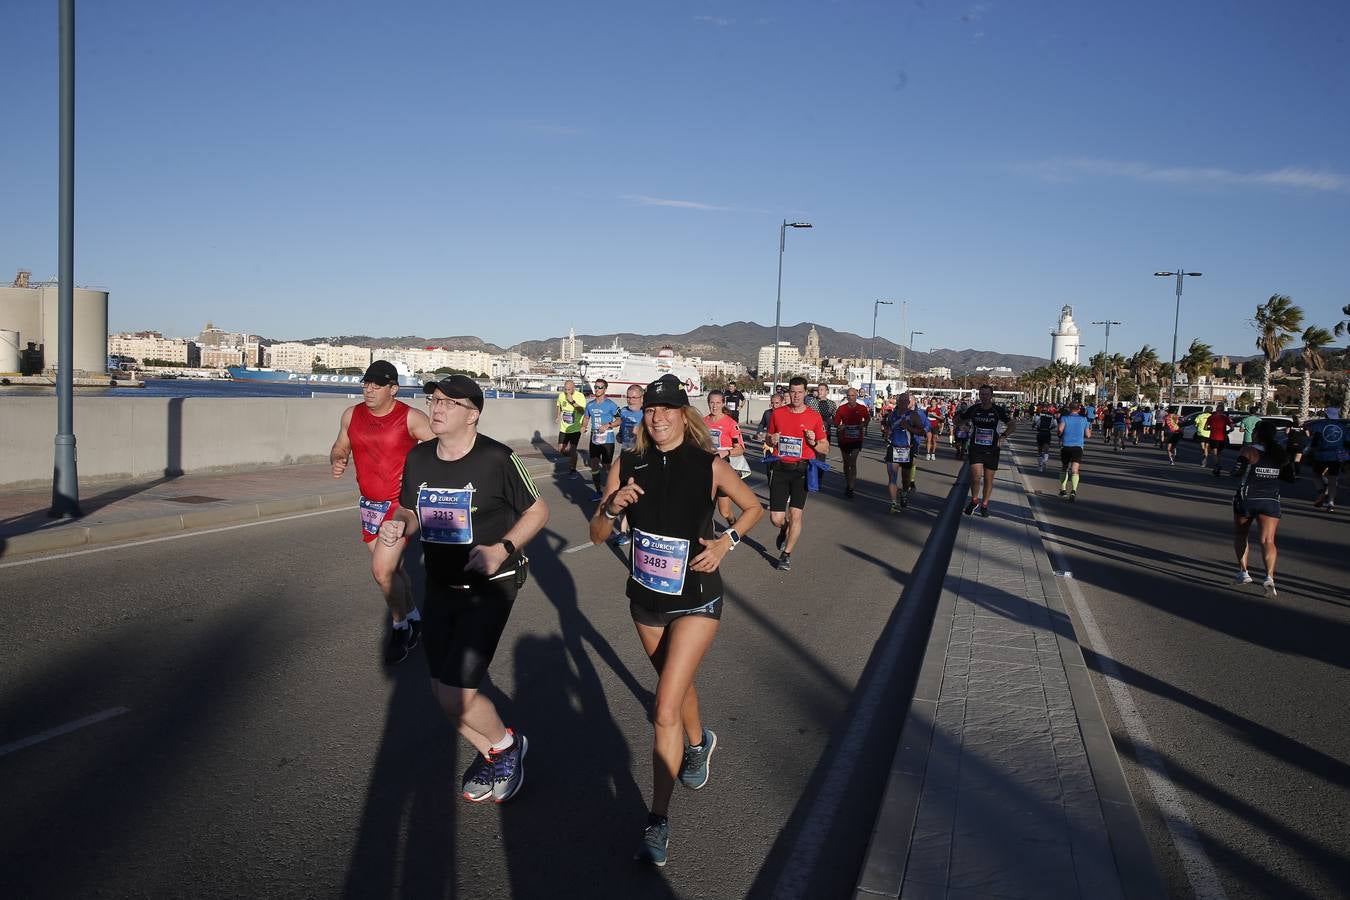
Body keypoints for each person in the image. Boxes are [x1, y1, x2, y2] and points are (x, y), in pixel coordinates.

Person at [590, 374, 763, 867]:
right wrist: (611, 505)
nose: (658, 417)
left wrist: (726, 542)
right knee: (674, 682)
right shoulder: (628, 463)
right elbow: (598, 533)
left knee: (663, 706)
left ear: (684, 416)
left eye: (667, 410)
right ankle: (698, 741)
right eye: (650, 410)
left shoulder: (709, 464)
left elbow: (751, 508)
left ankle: (657, 818)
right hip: (645, 597)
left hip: (697, 597)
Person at [380, 375, 549, 804]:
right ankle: (494, 751)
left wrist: (502, 549)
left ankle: (508, 747)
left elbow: (539, 510)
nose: (437, 408)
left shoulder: (497, 459)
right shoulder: (418, 458)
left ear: (473, 415)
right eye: (434, 400)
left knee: (458, 692)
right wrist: (400, 524)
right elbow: (408, 506)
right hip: (440, 585)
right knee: (441, 692)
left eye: (450, 403)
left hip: (490, 586)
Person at [330, 360, 436, 664]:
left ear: (394, 389)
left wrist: (418, 477)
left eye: (377, 384)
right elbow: (340, 446)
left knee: (381, 571)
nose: (369, 388)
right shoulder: (351, 415)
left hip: (399, 506)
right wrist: (338, 458)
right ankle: (415, 617)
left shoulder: (411, 418)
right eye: (366, 383)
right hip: (369, 505)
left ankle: (400, 627)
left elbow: (442, 450)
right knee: (395, 571)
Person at [767, 377, 829, 571]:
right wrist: (772, 438)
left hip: (802, 470)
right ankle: (783, 529)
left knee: (796, 514)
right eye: (793, 392)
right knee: (776, 518)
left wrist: (813, 442)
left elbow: (825, 448)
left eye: (800, 392)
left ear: (805, 393)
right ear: (789, 392)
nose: (796, 395)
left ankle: (786, 555)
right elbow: (769, 440)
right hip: (780, 468)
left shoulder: (814, 417)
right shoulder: (778, 414)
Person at [1232, 419, 1287, 597]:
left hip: (1247, 497)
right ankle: (1269, 577)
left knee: (1241, 534)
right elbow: (1290, 476)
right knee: (1268, 540)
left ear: (1256, 433)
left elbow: (1237, 470)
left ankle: (1244, 572)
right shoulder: (1280, 453)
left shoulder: (1249, 450)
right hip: (1270, 498)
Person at [956, 384, 1015, 517]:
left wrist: (1004, 436)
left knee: (989, 480)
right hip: (976, 448)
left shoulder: (997, 410)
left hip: (992, 449)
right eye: (981, 394)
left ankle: (985, 504)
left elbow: (1012, 424)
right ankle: (974, 500)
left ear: (991, 396)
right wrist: (962, 426)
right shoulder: (974, 409)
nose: (984, 397)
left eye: (986, 394)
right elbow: (958, 420)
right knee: (976, 477)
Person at [703, 390, 747, 527]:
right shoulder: (702, 422)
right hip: (706, 469)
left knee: (724, 511)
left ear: (723, 403)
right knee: (705, 508)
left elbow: (740, 448)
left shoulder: (730, 423)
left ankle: (732, 523)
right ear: (708, 403)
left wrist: (725, 453)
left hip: (723, 470)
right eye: (712, 403)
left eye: (717, 403)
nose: (714, 406)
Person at [610, 385, 647, 546]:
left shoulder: (646, 414)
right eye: (629, 397)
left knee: (634, 496)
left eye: (634, 397)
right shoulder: (624, 412)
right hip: (625, 457)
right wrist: (620, 435)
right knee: (624, 493)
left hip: (641, 459)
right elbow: (621, 432)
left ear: (642, 398)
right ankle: (625, 532)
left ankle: (632, 530)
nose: (631, 400)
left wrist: (639, 434)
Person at [883, 392, 929, 512]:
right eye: (900, 401)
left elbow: (922, 431)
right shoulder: (892, 415)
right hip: (893, 448)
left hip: (907, 450)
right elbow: (887, 428)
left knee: (905, 479)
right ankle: (893, 503)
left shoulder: (913, 415)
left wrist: (909, 427)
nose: (902, 403)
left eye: (905, 401)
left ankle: (904, 493)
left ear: (908, 403)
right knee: (892, 478)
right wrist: (886, 433)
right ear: (897, 402)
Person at [584, 378, 621, 501]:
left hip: (607, 439)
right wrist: (583, 426)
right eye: (595, 387)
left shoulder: (610, 404)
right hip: (594, 438)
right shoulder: (590, 404)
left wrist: (608, 425)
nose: (597, 389)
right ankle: (598, 491)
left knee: (606, 467)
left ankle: (614, 489)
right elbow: (586, 417)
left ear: (605, 389)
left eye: (600, 387)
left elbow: (620, 420)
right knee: (594, 465)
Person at [833, 387, 872, 498]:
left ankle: (851, 487)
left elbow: (868, 419)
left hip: (857, 438)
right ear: (847, 396)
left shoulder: (862, 408)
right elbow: (836, 423)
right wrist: (840, 426)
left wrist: (863, 425)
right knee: (846, 463)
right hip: (844, 439)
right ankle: (848, 483)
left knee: (852, 462)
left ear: (856, 396)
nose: (850, 398)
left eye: (853, 396)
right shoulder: (841, 408)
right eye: (849, 396)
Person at [1305, 407, 1346, 513]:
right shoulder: (1343, 426)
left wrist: (1310, 450)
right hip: (1337, 455)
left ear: (1326, 415)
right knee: (1333, 479)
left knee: (1316, 475)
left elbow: (1315, 440)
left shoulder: (1320, 425)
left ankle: (1321, 490)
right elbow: (1347, 441)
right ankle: (1331, 503)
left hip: (1321, 455)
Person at [1057, 401, 1091, 501]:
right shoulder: (1084, 419)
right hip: (1078, 447)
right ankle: (1073, 490)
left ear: (1069, 408)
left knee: (1064, 467)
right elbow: (1088, 435)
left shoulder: (1064, 418)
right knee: (1075, 469)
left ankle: (1063, 490)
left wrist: (1060, 434)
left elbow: (1060, 430)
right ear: (1079, 409)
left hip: (1066, 445)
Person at [556, 379, 587, 477]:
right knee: (561, 449)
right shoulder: (561, 395)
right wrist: (557, 416)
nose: (567, 391)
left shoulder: (580, 396)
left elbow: (582, 411)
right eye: (565, 389)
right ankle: (574, 456)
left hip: (575, 428)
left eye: (569, 389)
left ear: (574, 388)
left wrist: (572, 401)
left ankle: (573, 469)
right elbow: (559, 405)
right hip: (564, 428)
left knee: (572, 449)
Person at [808, 383, 838, 456]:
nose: (819, 391)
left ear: (827, 392)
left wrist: (829, 421)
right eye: (818, 390)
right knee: (812, 455)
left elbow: (836, 419)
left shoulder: (831, 404)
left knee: (822, 455)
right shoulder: (811, 402)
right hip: (813, 433)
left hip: (826, 433)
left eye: (822, 390)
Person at [1208, 402, 1233, 476]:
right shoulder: (1225, 418)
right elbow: (1232, 428)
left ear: (1216, 410)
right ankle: (1217, 467)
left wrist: (1211, 429)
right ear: (1223, 410)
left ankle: (1217, 466)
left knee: (1214, 453)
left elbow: (1205, 427)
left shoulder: (1211, 417)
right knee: (1219, 453)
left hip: (1213, 437)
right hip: (1222, 437)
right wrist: (1227, 432)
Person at [1032, 404, 1057, 472]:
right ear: (1048, 409)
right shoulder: (1052, 415)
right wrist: (1050, 428)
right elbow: (1055, 425)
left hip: (1040, 433)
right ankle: (1043, 461)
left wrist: (1036, 427)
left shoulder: (1038, 415)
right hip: (1047, 433)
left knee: (1040, 449)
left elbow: (1034, 424)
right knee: (1046, 449)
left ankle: (1040, 466)